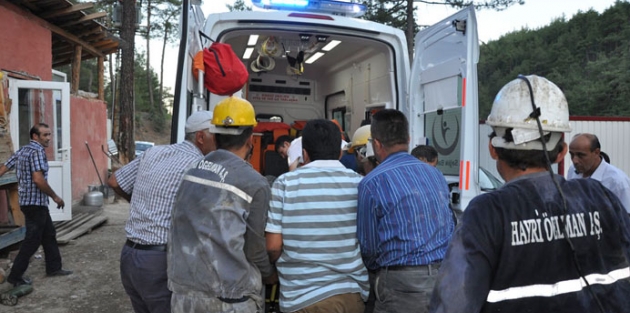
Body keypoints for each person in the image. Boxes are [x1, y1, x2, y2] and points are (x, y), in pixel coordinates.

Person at [429, 75, 630, 313]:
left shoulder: (487, 212)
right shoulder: (600, 196)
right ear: (562, 152)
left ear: (493, 149)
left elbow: (452, 305)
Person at [168, 97, 277, 313]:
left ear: (215, 136)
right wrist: (270, 274)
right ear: (250, 140)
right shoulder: (254, 183)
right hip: (229, 300)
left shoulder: (190, 172)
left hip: (184, 295)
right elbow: (255, 249)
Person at [108, 110, 217, 313]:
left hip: (130, 256)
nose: (220, 142)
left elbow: (114, 180)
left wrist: (139, 203)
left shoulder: (154, 152)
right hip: (159, 263)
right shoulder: (199, 165)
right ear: (201, 137)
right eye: (216, 136)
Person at [265, 119, 369, 313]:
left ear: (304, 153)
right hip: (350, 295)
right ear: (339, 152)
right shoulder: (360, 183)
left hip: (301, 298)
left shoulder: (284, 183)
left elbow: (272, 247)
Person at [357, 109, 454, 313]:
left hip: (400, 285)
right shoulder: (435, 175)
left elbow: (370, 248)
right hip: (443, 279)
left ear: (376, 144)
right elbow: (450, 227)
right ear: (408, 139)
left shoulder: (371, 183)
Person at [0, 123, 72, 286]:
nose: (48, 138)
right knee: (32, 241)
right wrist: (55, 197)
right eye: (45, 135)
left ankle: (54, 267)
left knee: (49, 234)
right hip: (35, 203)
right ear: (35, 136)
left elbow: (5, 167)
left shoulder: (23, 150)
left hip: (27, 202)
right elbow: (38, 179)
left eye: (49, 134)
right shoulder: (37, 151)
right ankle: (15, 276)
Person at [568, 133, 630, 213]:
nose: (575, 160)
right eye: (572, 154)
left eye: (581, 155)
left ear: (596, 152)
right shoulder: (572, 170)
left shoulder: (617, 182)